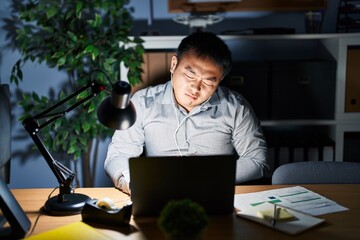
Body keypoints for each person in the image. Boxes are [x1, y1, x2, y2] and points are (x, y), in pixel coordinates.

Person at [104, 31, 268, 194]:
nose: (196, 88)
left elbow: (257, 161)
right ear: (174, 64)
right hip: (158, 191)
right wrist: (136, 184)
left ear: (220, 80)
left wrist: (205, 176)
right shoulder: (142, 103)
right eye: (190, 75)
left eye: (208, 82)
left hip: (213, 192)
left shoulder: (236, 107)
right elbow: (118, 155)